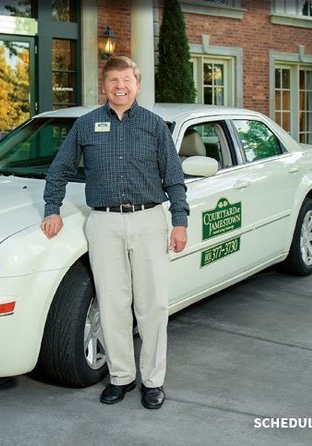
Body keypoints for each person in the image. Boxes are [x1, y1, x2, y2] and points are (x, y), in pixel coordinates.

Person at [41, 56, 189, 410]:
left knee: (152, 305)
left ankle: (153, 381)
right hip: (104, 223)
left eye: (126, 80)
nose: (120, 86)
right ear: (104, 86)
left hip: (149, 220)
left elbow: (174, 177)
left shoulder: (154, 126)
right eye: (113, 80)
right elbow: (59, 170)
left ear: (137, 85)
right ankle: (121, 377)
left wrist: (180, 221)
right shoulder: (86, 125)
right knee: (111, 304)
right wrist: (52, 209)